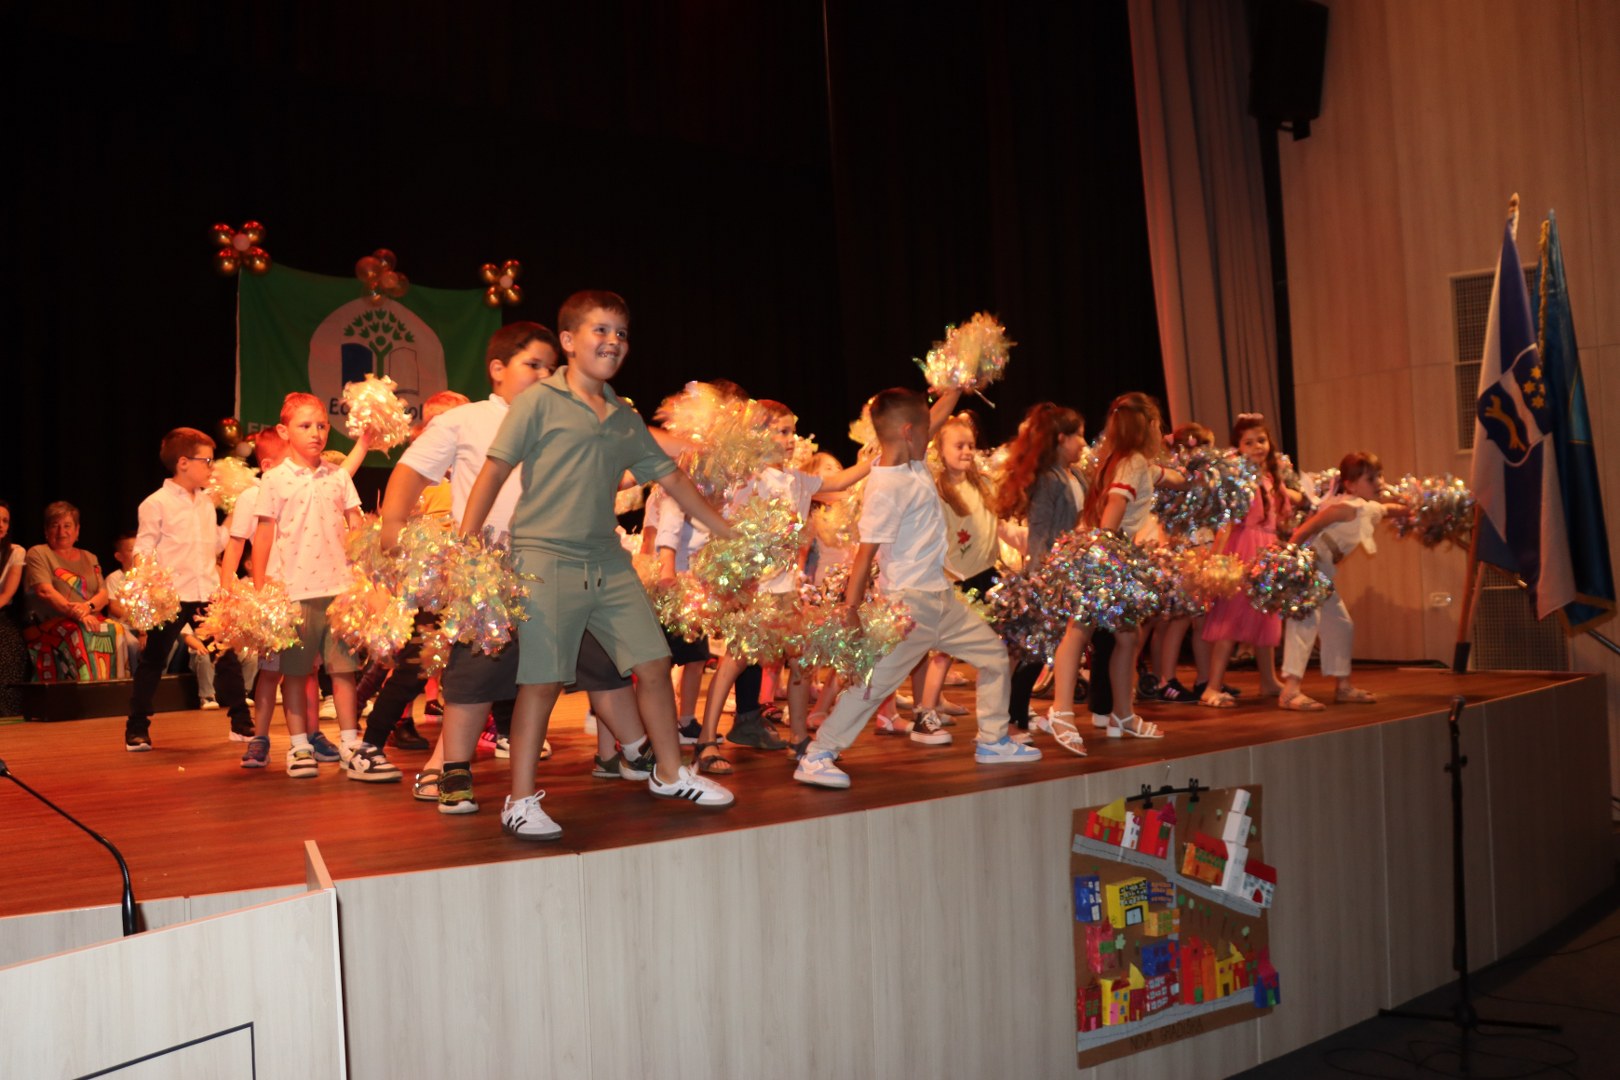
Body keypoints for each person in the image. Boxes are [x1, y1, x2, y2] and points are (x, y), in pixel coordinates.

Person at [459, 290, 738, 839]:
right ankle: (519, 801)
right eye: (601, 330)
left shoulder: (624, 416)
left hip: (607, 558)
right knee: (542, 681)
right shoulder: (538, 401)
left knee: (654, 662)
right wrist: (466, 543)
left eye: (622, 333)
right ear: (568, 341)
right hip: (544, 555)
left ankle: (669, 772)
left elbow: (672, 477)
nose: (614, 341)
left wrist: (726, 528)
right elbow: (494, 469)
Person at [377, 320, 656, 814]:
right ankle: (454, 771)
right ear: (498, 369)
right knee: (476, 675)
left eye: (551, 367)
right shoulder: (465, 420)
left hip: (564, 563)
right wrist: (394, 523)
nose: (545, 374)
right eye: (533, 365)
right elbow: (412, 469)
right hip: (493, 571)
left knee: (602, 662)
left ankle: (639, 752)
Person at [794, 388, 1042, 789]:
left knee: (994, 656)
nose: (933, 432)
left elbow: (935, 416)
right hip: (908, 606)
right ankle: (818, 754)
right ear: (909, 432)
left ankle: (992, 740)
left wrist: (957, 386)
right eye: (927, 428)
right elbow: (865, 555)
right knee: (875, 684)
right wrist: (851, 611)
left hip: (941, 599)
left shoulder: (912, 462)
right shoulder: (886, 487)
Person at [695, 399, 872, 767]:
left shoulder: (797, 480)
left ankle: (799, 737)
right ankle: (706, 739)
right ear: (758, 435)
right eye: (782, 431)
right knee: (735, 661)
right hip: (756, 590)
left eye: (793, 431)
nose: (791, 439)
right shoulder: (749, 480)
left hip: (787, 590)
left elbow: (839, 481)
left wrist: (874, 459)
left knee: (802, 659)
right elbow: (727, 527)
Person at [251, 393, 385, 781]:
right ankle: (299, 746)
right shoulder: (274, 479)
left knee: (344, 672)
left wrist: (367, 580)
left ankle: (349, 742)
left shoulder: (338, 476)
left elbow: (356, 527)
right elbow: (264, 534)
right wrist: (261, 590)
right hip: (295, 591)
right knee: (295, 673)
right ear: (284, 432)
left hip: (340, 589)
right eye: (305, 426)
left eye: (322, 426)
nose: (316, 433)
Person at [124, 427, 253, 751]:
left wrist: (234, 514)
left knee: (225, 656)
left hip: (205, 592)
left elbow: (216, 543)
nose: (211, 467)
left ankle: (241, 722)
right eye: (206, 461)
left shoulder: (206, 504)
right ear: (183, 463)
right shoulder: (156, 503)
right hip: (172, 595)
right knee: (153, 661)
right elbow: (144, 547)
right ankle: (136, 728)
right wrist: (148, 585)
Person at [1074, 392, 1186, 740]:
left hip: (1108, 552)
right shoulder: (1132, 462)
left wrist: (1194, 477)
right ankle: (1118, 715)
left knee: (1125, 636)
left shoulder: (1121, 460)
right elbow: (1115, 505)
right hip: (1111, 554)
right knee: (1108, 635)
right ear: (1150, 425)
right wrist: (1105, 554)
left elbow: (1168, 477)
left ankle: (1120, 715)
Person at [991, 403, 1090, 752]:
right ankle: (1012, 717)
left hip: (1070, 571)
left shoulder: (1077, 476)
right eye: (1078, 435)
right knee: (1032, 649)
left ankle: (1017, 713)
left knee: (1044, 650)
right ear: (1061, 438)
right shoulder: (1049, 480)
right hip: (1049, 574)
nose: (1083, 442)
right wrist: (1043, 576)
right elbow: (1040, 531)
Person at [1278, 451, 1405, 710]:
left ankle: (1343, 686)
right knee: (1304, 623)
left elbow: (1388, 510)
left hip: (1321, 572)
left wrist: (1421, 508)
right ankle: (1290, 692)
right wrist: (1288, 558)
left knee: (1341, 625)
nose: (1379, 482)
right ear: (1350, 485)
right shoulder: (1345, 507)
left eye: (1380, 476)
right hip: (1308, 567)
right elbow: (1308, 528)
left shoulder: (1366, 508)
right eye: (1371, 478)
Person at [1199, 413, 1298, 708]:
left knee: (1264, 615)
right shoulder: (1238, 479)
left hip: (1266, 549)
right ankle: (1212, 687)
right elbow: (1226, 522)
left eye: (1261, 440)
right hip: (1242, 551)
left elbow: (1284, 513)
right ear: (1238, 448)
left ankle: (1268, 679)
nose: (1257, 447)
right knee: (1232, 618)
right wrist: (1218, 561)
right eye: (1249, 442)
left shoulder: (1270, 478)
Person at [23, 502, 125, 683]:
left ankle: (113, 692)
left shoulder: (90, 557)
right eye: (55, 525)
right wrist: (78, 613)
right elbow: (45, 591)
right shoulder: (38, 553)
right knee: (80, 632)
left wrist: (87, 607)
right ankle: (87, 692)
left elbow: (103, 594)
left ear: (77, 530)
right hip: (52, 622)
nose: (61, 531)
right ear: (46, 531)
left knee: (116, 630)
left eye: (67, 526)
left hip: (88, 617)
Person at [0, 500, 26, 717]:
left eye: (5, 521)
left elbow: (7, 593)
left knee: (10, 650)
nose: (1, 525)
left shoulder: (15, 552)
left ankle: (7, 712)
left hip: (1, 612)